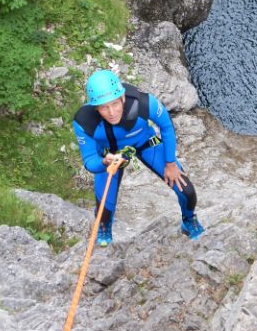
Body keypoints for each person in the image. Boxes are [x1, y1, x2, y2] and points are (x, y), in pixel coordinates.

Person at [72, 69, 204, 246]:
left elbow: (166, 127)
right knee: (103, 210)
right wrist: (104, 162)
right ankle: (105, 229)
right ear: (96, 108)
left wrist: (170, 163)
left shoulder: (144, 103)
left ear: (123, 98)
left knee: (187, 191)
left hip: (145, 143)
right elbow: (89, 160)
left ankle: (188, 221)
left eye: (115, 104)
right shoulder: (84, 121)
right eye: (104, 107)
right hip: (111, 157)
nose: (111, 112)